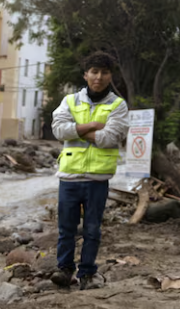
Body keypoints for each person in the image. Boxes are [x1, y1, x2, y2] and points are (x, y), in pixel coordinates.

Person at [50, 51, 130, 290]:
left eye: (104, 72)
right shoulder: (70, 101)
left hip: (98, 178)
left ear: (110, 76)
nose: (99, 77)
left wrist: (76, 129)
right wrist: (93, 125)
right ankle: (64, 269)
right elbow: (58, 130)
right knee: (66, 228)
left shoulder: (118, 105)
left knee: (92, 229)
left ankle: (86, 273)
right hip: (70, 176)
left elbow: (110, 138)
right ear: (86, 75)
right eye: (94, 72)